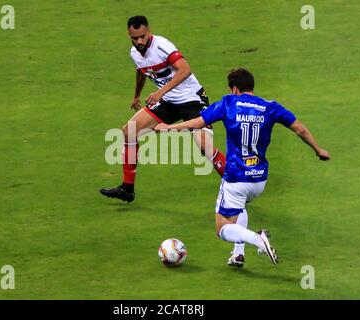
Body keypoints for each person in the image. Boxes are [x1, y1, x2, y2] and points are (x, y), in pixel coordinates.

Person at [155, 68, 330, 266]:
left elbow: (198, 122)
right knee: (240, 206)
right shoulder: (270, 107)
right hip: (259, 180)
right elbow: (300, 129)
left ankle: (258, 239)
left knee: (222, 228)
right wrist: (318, 149)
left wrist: (168, 128)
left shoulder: (229, 103)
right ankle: (238, 254)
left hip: (235, 178)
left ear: (235, 89)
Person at [100, 15, 226, 203]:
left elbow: (185, 70)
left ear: (148, 31)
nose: (140, 41)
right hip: (169, 102)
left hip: (192, 99)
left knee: (204, 147)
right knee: (129, 131)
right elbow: (142, 71)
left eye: (143, 36)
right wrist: (136, 95)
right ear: (129, 35)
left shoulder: (162, 46)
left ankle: (235, 184)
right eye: (135, 38)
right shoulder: (134, 53)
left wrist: (160, 93)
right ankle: (127, 188)